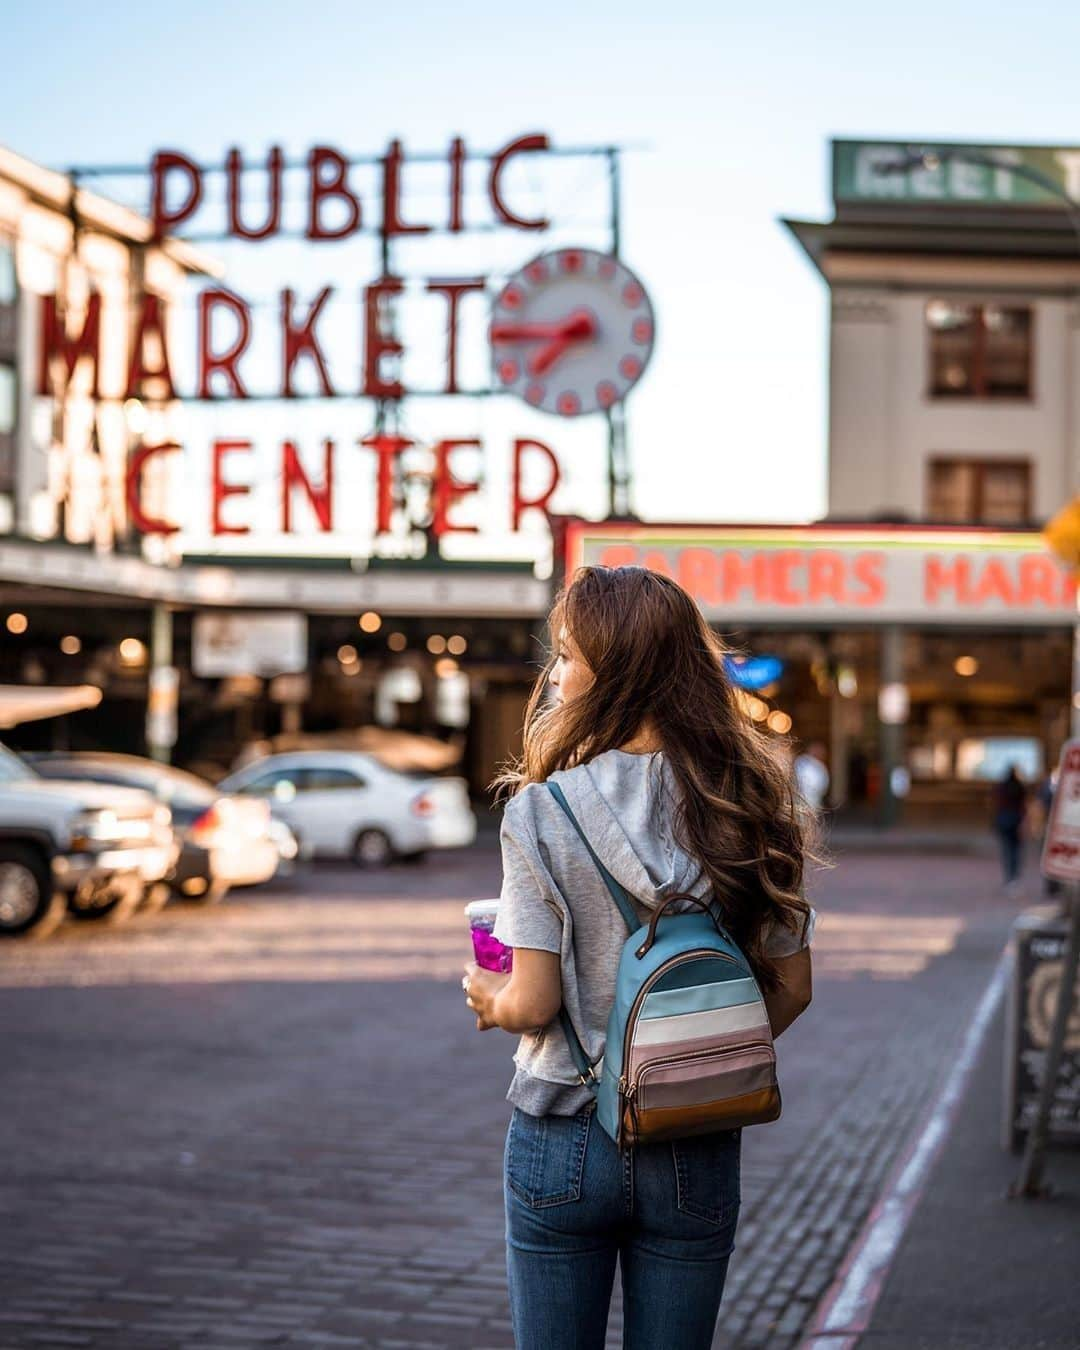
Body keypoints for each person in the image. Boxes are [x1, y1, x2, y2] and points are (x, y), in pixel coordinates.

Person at [462, 566, 816, 1350]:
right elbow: (792, 987)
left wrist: (486, 998)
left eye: (566, 656)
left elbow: (533, 1003)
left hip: (564, 1135)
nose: (554, 674)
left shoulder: (541, 810)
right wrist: (693, 1058)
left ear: (611, 673)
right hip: (695, 1134)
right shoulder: (753, 801)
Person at [992, 764, 1027, 894]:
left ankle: (1009, 878)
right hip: (1016, 821)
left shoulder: (1001, 787)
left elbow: (996, 804)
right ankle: (1014, 877)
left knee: (1007, 850)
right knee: (1015, 851)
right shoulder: (1020, 787)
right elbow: (1023, 806)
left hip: (1004, 820)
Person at [794, 740, 830, 812]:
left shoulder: (820, 766)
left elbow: (823, 785)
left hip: (814, 801)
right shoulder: (802, 762)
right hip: (801, 800)